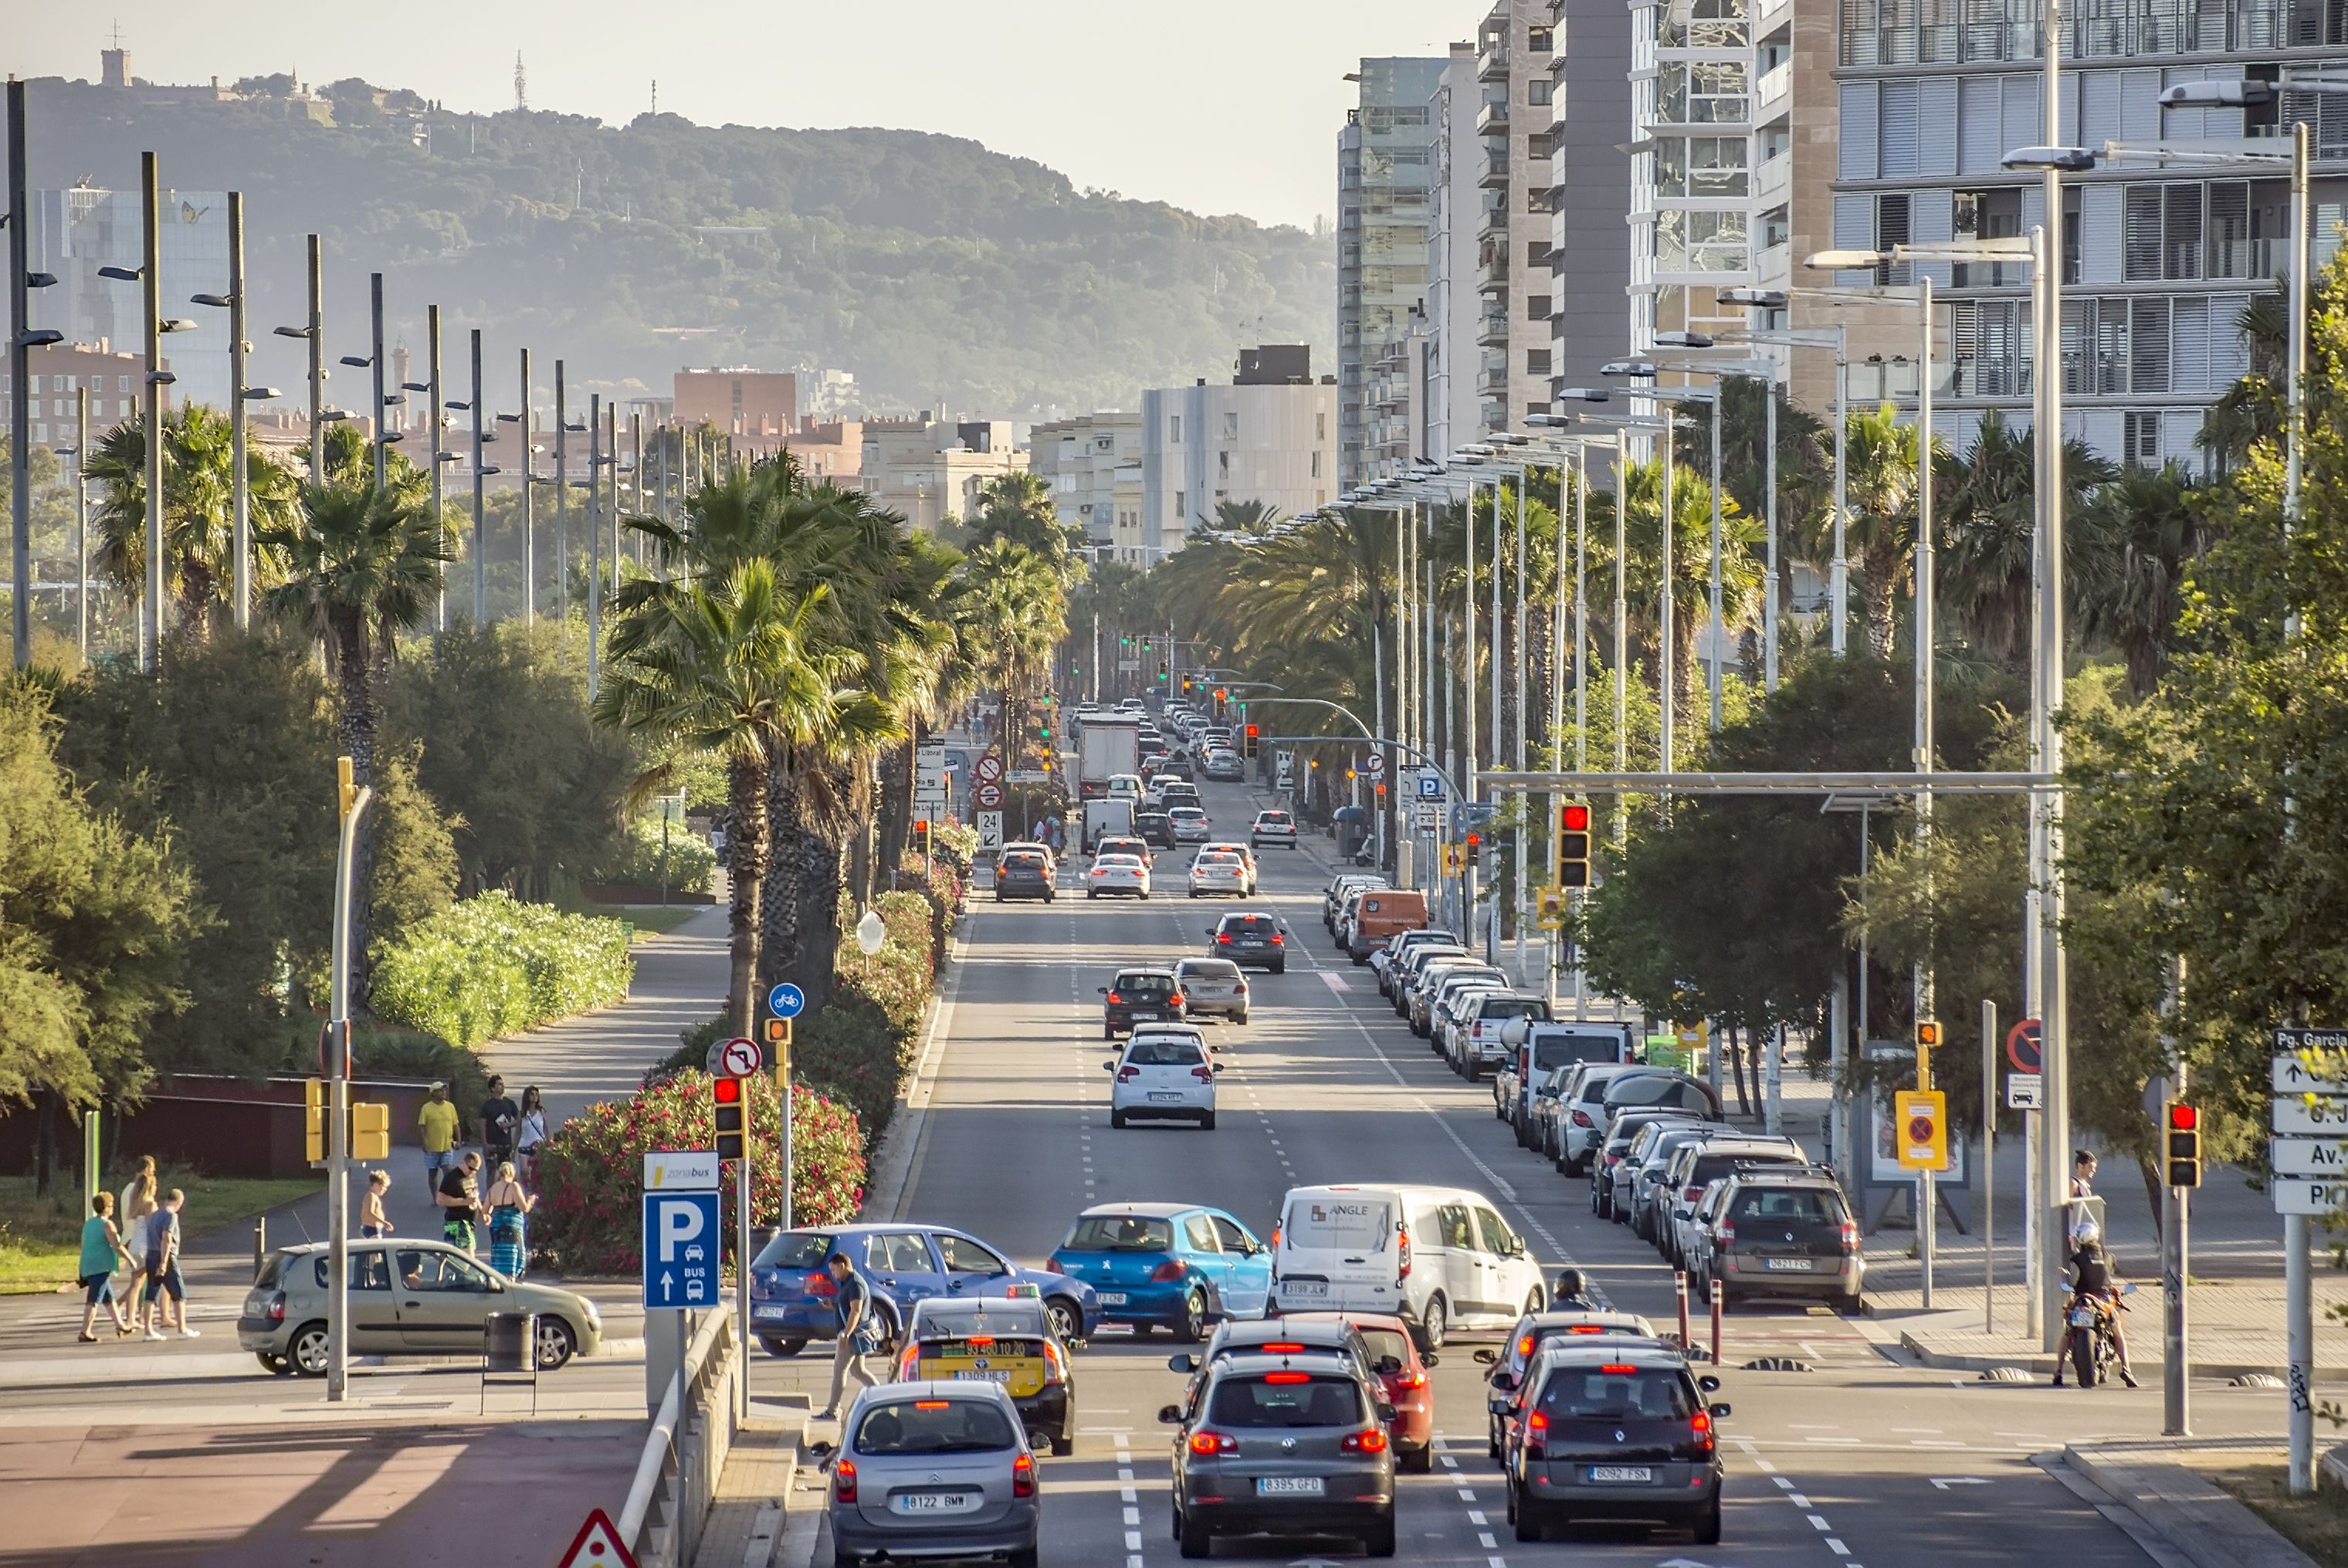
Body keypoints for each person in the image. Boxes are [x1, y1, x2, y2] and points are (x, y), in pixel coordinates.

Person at [2052, 1223, 2137, 1388]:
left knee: (2068, 1333)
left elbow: (2073, 1280)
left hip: (2082, 1299)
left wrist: (2066, 1275)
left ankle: (2058, 1370)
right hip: (2103, 1301)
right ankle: (2126, 1368)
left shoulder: (2076, 1259)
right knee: (2118, 1332)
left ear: (2081, 1240)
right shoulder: (2109, 1256)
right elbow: (2111, 1274)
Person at [818, 1249, 881, 1421]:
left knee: (840, 1371)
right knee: (858, 1371)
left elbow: (856, 1312)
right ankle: (881, 1399)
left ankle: (832, 1410)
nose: (833, 1274)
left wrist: (845, 1335)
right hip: (851, 1335)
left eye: (834, 1270)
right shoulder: (848, 1283)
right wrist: (834, 1305)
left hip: (851, 1336)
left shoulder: (855, 1284)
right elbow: (847, 1307)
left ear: (842, 1265)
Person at [76, 1193, 136, 1342]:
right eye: (111, 1205)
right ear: (107, 1207)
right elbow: (116, 1246)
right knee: (94, 1299)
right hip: (100, 1266)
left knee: (108, 1298)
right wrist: (130, 1259)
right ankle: (85, 1331)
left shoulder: (89, 1223)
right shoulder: (107, 1225)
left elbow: (85, 1244)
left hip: (88, 1264)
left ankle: (120, 1324)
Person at [137, 1189, 195, 1340]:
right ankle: (182, 1329)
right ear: (179, 1202)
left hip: (151, 1254)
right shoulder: (171, 1216)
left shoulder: (155, 1215)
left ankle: (148, 1331)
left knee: (151, 1293)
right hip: (165, 1257)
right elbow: (167, 1239)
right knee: (179, 1294)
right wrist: (164, 1262)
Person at [483, 1160, 537, 1280]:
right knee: (513, 1254)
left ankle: (499, 1280)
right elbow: (524, 1208)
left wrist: (493, 1212)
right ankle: (510, 1280)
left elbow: (485, 1210)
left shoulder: (493, 1188)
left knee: (499, 1254)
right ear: (512, 1173)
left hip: (496, 1226)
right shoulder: (513, 1186)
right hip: (511, 1226)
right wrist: (531, 1200)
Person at [117, 1157, 158, 1309]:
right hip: (138, 1238)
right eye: (153, 1168)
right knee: (140, 1280)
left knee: (138, 1280)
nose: (154, 1172)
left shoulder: (128, 1189)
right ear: (147, 1168)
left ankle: (130, 1308)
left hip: (129, 1237)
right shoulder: (140, 1191)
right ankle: (137, 1311)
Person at [436, 1150, 483, 1254]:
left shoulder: (472, 1176)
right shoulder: (452, 1177)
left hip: (469, 1222)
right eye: (471, 1168)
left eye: (476, 1170)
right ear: (464, 1163)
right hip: (457, 1221)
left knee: (459, 1261)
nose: (473, 1172)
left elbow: (475, 1195)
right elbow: (440, 1199)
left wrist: (483, 1211)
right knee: (469, 1257)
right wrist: (463, 1202)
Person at [417, 1083, 462, 1185]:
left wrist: (459, 1141)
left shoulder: (450, 1107)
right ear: (433, 1093)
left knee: (447, 1168)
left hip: (447, 1145)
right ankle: (436, 1198)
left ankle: (449, 1192)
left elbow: (455, 1125)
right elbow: (422, 1126)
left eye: (445, 1091)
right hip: (432, 1147)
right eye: (441, 1091)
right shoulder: (426, 1108)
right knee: (433, 1173)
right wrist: (424, 1142)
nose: (444, 1093)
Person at [479, 1077, 521, 1170]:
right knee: (492, 1172)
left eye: (503, 1084)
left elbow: (518, 1120)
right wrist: (484, 1144)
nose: (502, 1086)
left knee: (507, 1173)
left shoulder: (510, 1103)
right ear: (492, 1089)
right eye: (499, 1084)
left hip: (506, 1145)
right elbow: (482, 1125)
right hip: (492, 1145)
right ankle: (491, 1186)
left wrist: (508, 1124)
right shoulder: (487, 1105)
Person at [514, 1086, 550, 1187]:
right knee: (524, 1171)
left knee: (537, 1172)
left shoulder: (542, 1112)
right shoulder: (522, 1113)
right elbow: (518, 1132)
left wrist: (548, 1144)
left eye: (536, 1094)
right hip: (524, 1144)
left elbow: (546, 1129)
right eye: (532, 1094)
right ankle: (524, 1192)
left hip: (539, 1145)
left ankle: (535, 1193)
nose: (534, 1097)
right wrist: (513, 1148)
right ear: (527, 1096)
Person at [359, 1170, 393, 1238]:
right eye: (383, 1187)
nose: (385, 1189)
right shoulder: (371, 1196)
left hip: (374, 1228)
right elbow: (370, 1213)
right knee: (376, 1248)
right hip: (372, 1229)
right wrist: (384, 1222)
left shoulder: (373, 1196)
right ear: (375, 1184)